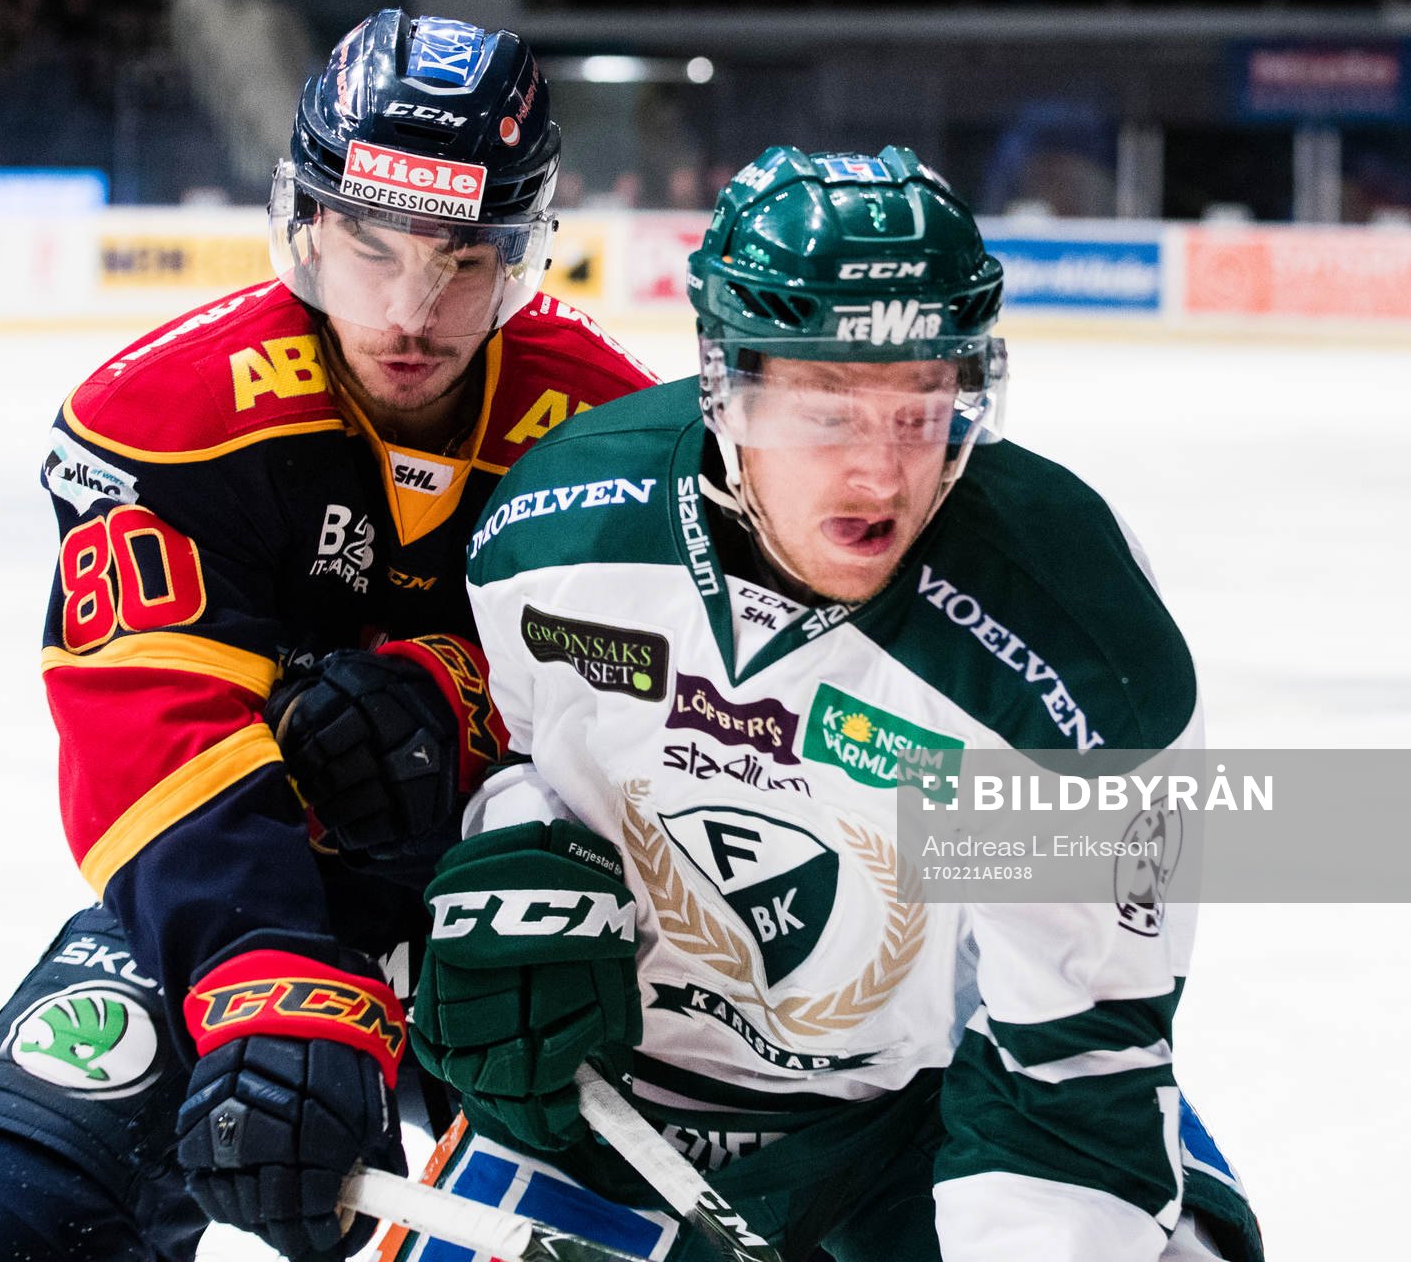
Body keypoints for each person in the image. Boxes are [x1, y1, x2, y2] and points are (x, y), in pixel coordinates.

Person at [374, 145, 1266, 1260]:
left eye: (922, 407)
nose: (883, 476)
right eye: (827, 411)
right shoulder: (556, 539)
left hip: (927, 1119)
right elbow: (523, 761)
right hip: (603, 1112)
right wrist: (518, 845)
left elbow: (1069, 1066)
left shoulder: (1076, 657)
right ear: (725, 385)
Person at [0, 8, 655, 1262]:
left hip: (525, 908)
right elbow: (151, 722)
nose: (415, 310)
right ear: (304, 222)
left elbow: (659, 702)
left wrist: (453, 696)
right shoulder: (166, 413)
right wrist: (265, 964)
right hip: (243, 877)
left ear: (523, 251)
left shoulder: (610, 431)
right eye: (373, 247)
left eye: (465, 259)